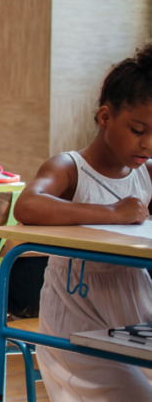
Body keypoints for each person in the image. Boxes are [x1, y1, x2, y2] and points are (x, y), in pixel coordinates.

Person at [14, 44, 152, 399]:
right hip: (77, 313)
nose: (148, 144)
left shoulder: (147, 173)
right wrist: (111, 213)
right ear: (105, 117)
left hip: (136, 304)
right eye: (138, 129)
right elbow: (27, 205)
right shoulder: (70, 167)